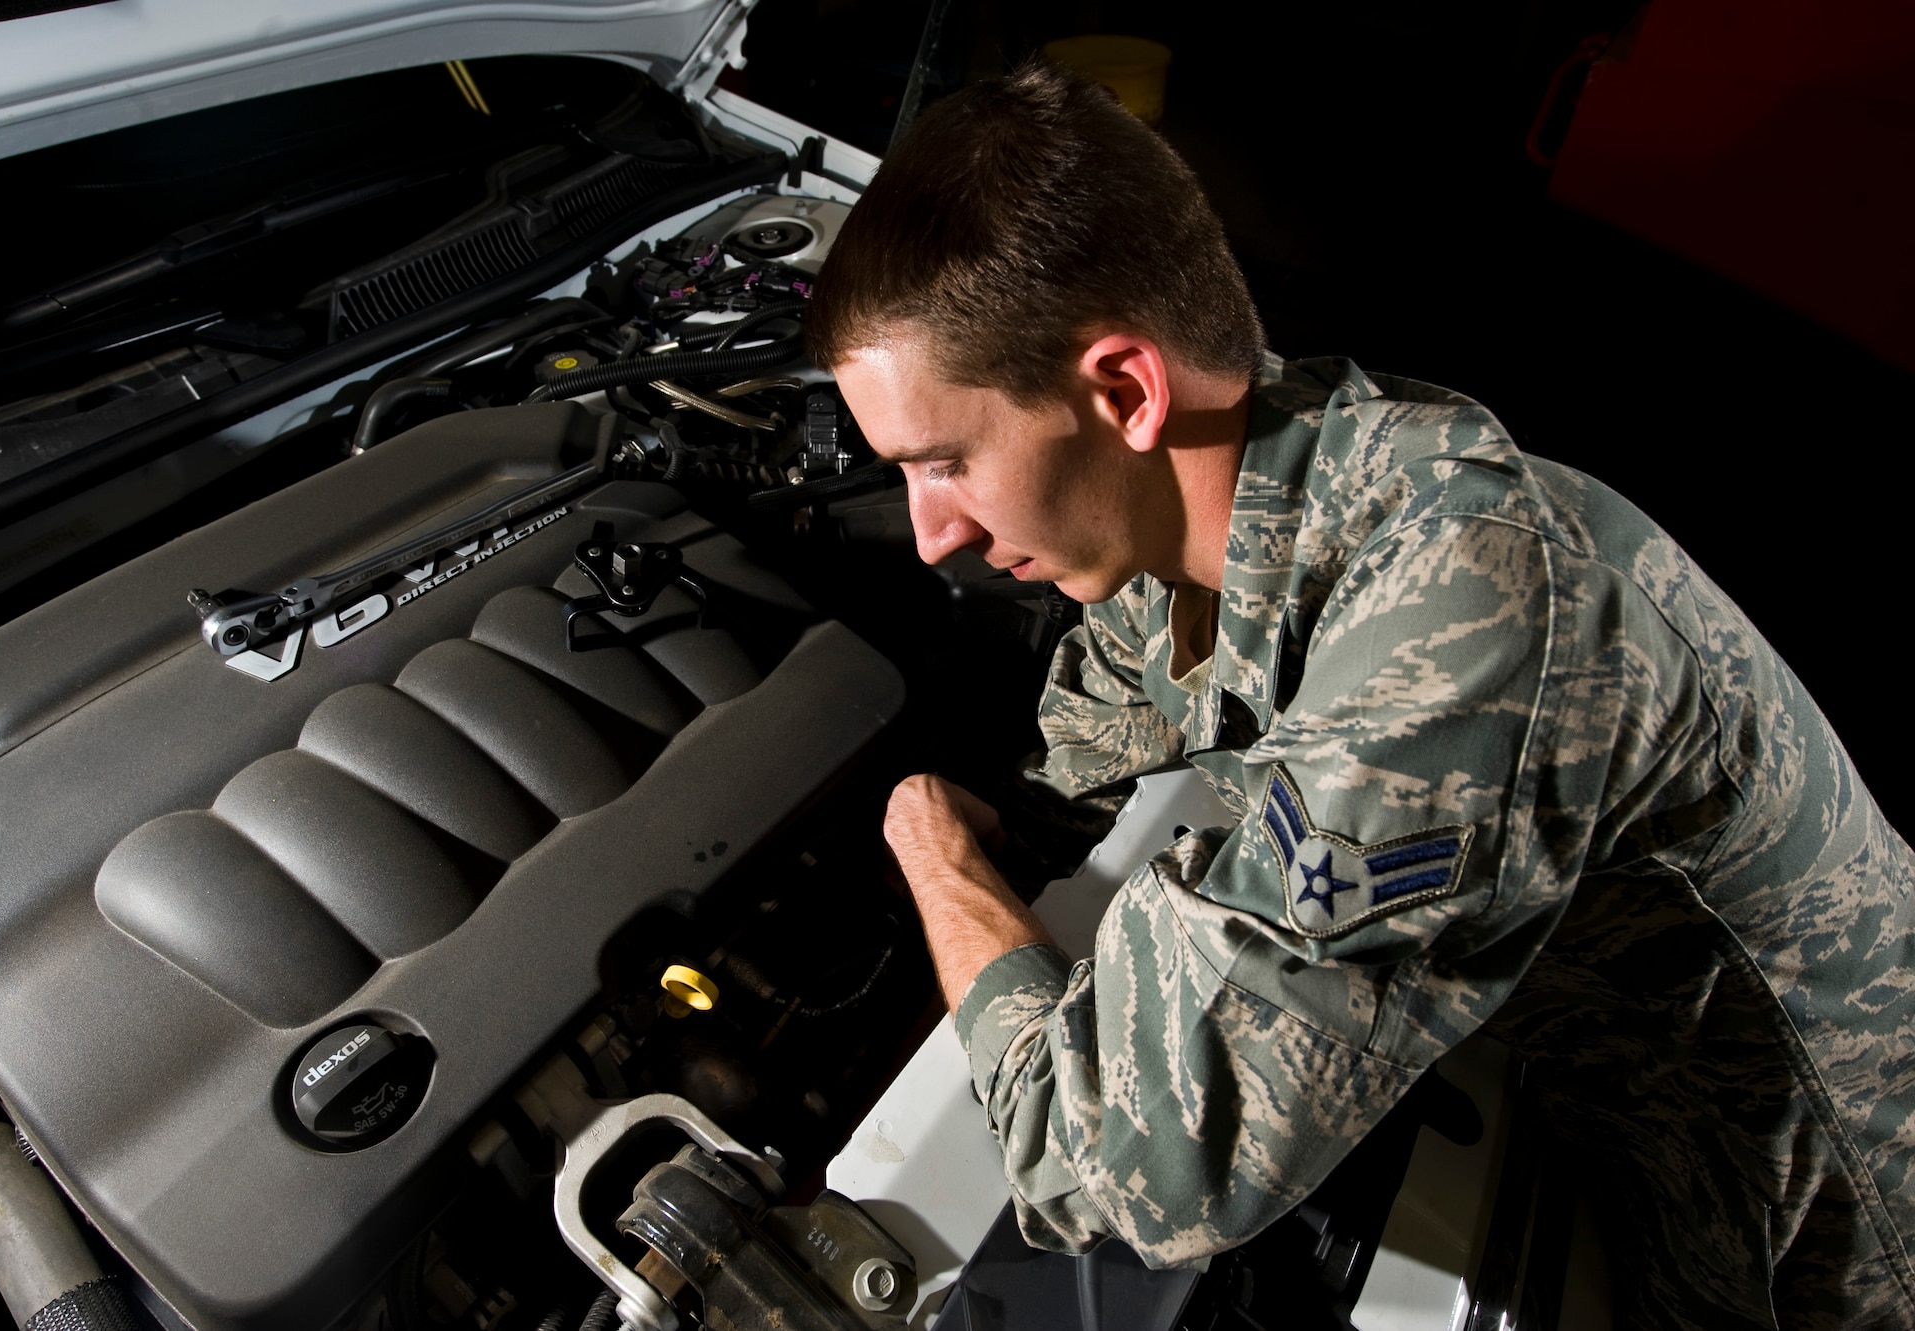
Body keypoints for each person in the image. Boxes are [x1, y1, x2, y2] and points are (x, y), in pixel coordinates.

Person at [805, 62, 1915, 1330]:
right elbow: (1082, 767)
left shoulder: (1464, 606)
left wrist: (935, 859)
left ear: (1122, 390)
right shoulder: (1217, 500)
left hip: (1838, 1252)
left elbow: (1133, 1174)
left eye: (942, 461)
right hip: (1607, 1125)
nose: (929, 533)